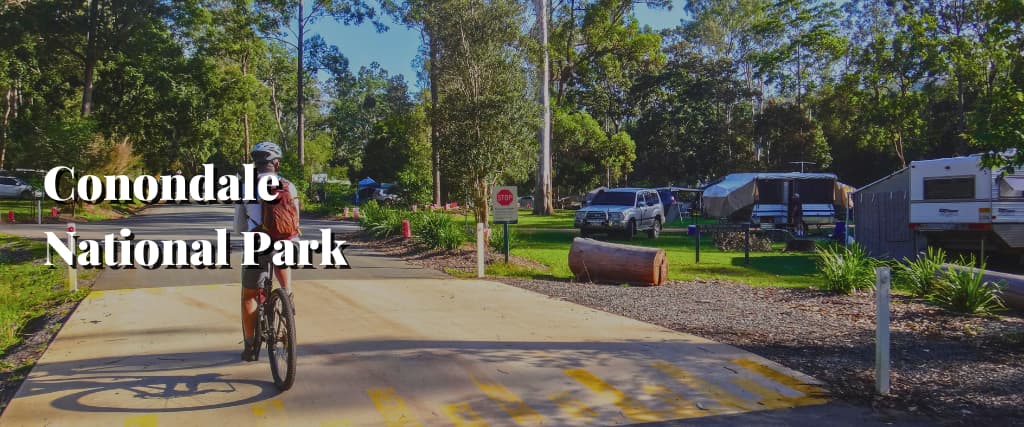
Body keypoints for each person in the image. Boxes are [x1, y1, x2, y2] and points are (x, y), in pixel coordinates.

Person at [234, 141, 300, 362]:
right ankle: (287, 295)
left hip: (257, 244)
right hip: (286, 243)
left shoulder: (246, 187)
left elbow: (239, 228)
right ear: (276, 164)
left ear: (256, 165)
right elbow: (295, 220)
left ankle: (251, 347)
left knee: (249, 296)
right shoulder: (289, 186)